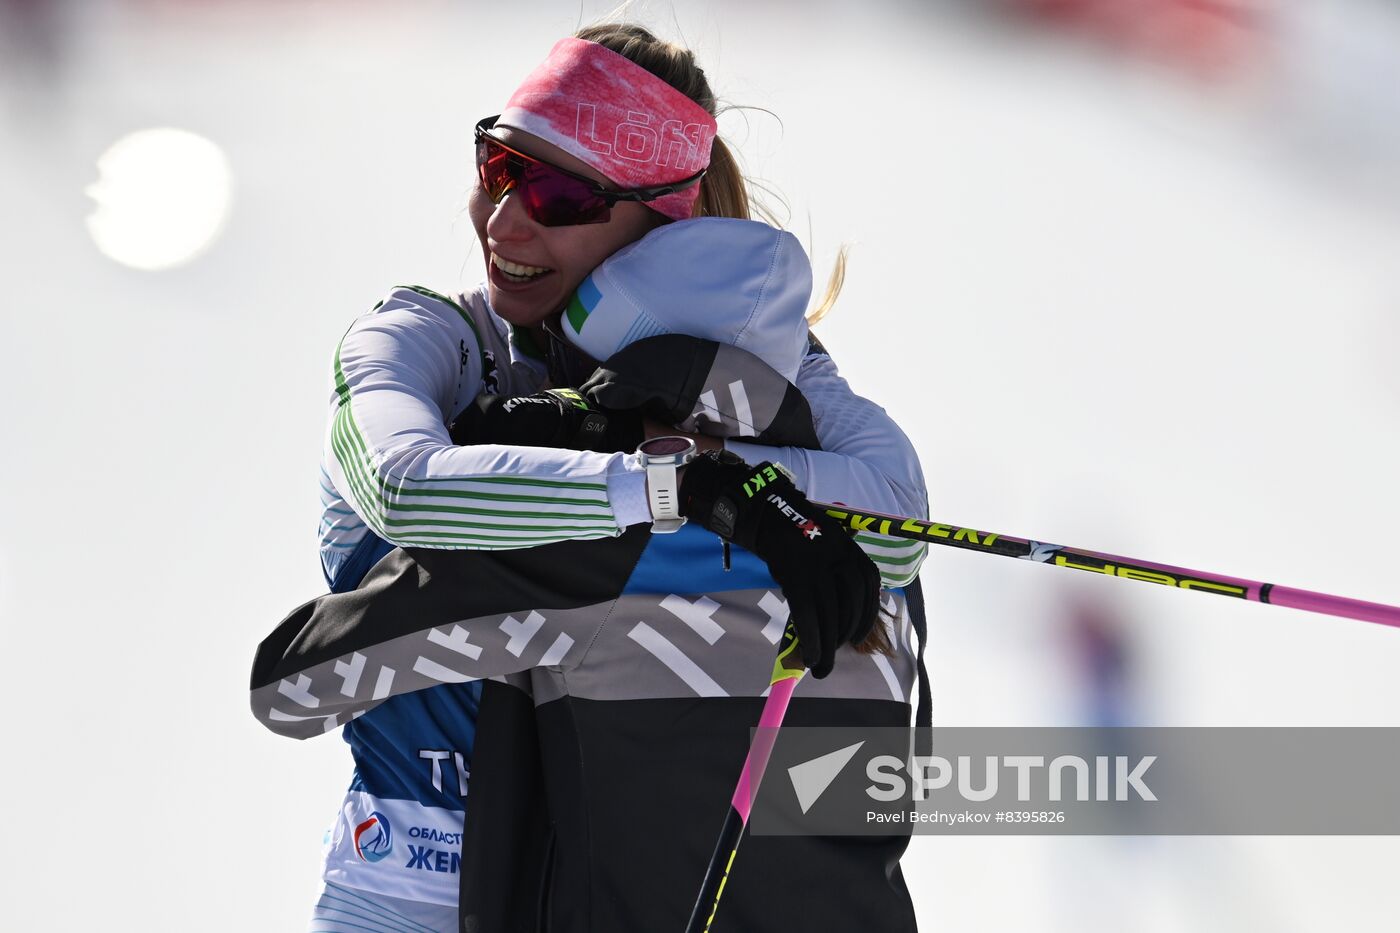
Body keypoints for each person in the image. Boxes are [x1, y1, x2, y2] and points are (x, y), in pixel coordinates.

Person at [294, 23, 928, 932]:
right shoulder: (429, 341)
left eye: (559, 195)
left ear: (667, 222)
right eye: (500, 166)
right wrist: (672, 485)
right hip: (408, 897)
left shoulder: (755, 376)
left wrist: (728, 479)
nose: (507, 220)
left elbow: (897, 511)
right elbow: (403, 487)